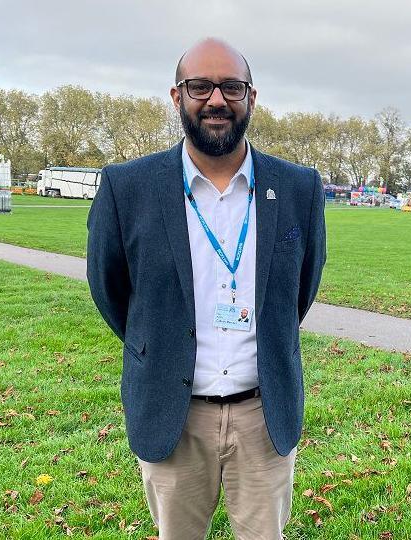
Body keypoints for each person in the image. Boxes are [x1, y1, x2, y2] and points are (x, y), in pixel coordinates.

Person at [86, 38, 326, 540]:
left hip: (264, 417)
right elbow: (111, 291)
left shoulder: (298, 187)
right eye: (200, 87)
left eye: (231, 87)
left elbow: (300, 291)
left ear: (251, 98)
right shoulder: (127, 188)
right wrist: (159, 345)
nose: (217, 100)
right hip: (173, 417)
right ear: (178, 97)